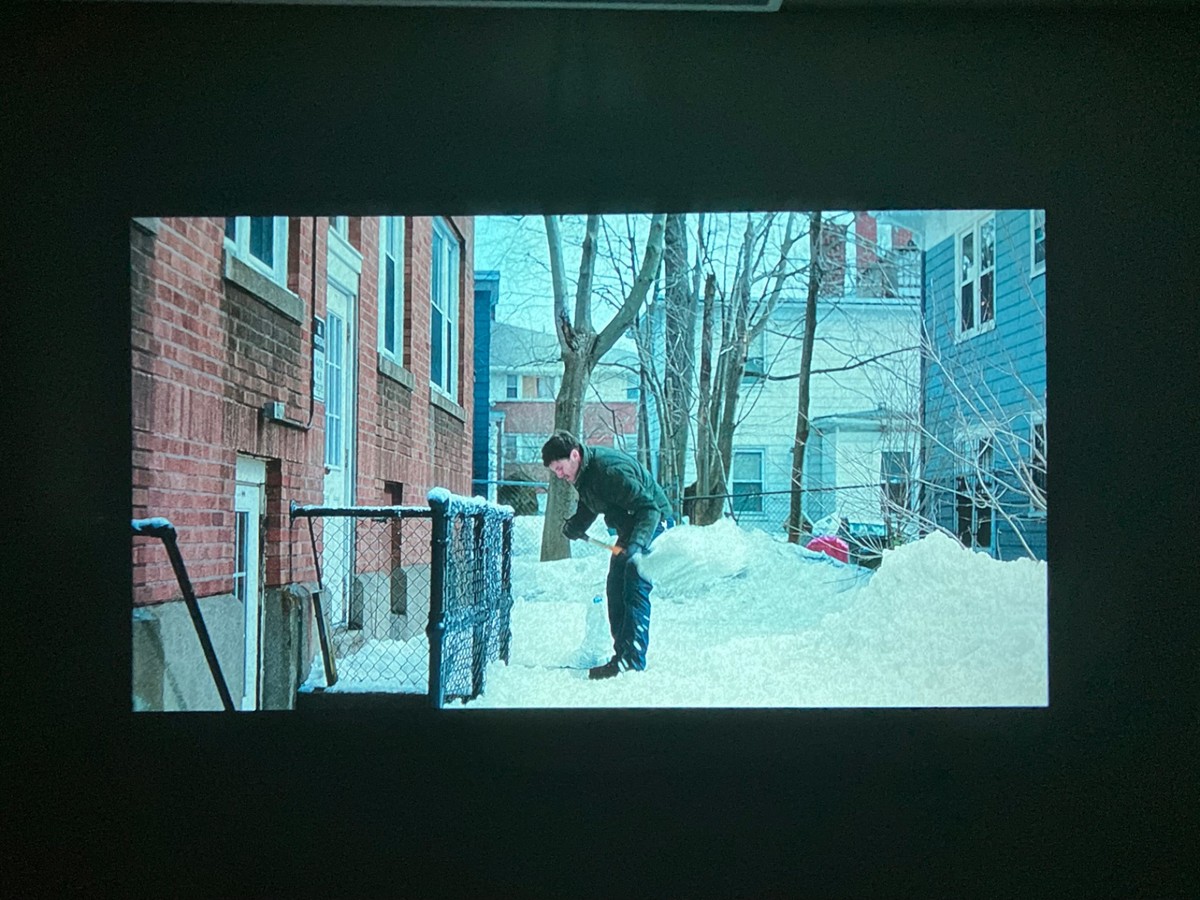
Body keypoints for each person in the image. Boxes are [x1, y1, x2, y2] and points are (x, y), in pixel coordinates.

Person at [542, 430, 673, 680]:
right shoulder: (585, 474)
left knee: (634, 583)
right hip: (633, 526)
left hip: (654, 522)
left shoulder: (609, 471)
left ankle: (631, 662)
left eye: (560, 468)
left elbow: (649, 508)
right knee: (615, 585)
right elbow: (592, 502)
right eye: (555, 471)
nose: (559, 475)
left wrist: (636, 545)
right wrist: (577, 525)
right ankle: (621, 656)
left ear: (574, 455)